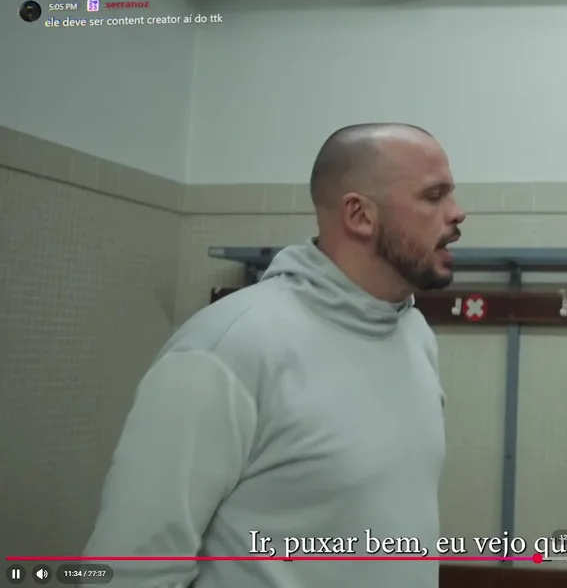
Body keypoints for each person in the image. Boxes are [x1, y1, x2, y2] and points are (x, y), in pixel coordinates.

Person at [82, 123, 465, 588]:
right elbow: (128, 571)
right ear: (359, 215)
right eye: (433, 196)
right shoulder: (226, 349)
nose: (457, 213)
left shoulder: (413, 333)